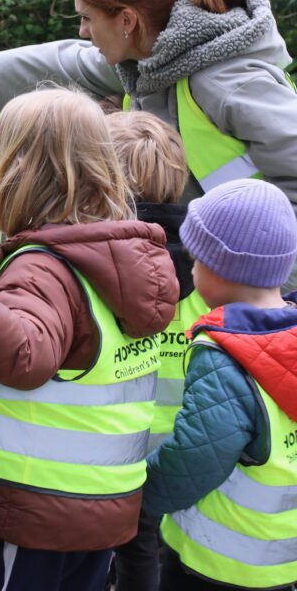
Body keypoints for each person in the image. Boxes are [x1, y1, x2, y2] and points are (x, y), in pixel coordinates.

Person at [0, 0, 297, 283]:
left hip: (256, 289)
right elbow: (65, 61)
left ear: (126, 20)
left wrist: (261, 284)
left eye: (87, 18)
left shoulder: (228, 82)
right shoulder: (151, 57)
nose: (83, 32)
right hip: (203, 275)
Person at [0, 87, 179, 591]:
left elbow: (27, 355)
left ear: (19, 173)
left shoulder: (44, 265)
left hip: (40, 504)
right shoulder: (117, 254)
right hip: (104, 496)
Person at [143, 178, 297, 591]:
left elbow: (196, 459)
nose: (190, 270)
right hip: (281, 564)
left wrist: (140, 495)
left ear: (220, 270)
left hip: (214, 565)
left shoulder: (225, 354)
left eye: (195, 261)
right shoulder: (290, 339)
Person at [106, 111, 210, 591]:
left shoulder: (109, 261)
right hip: (186, 446)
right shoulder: (212, 263)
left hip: (118, 443)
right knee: (158, 545)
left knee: (128, 545)